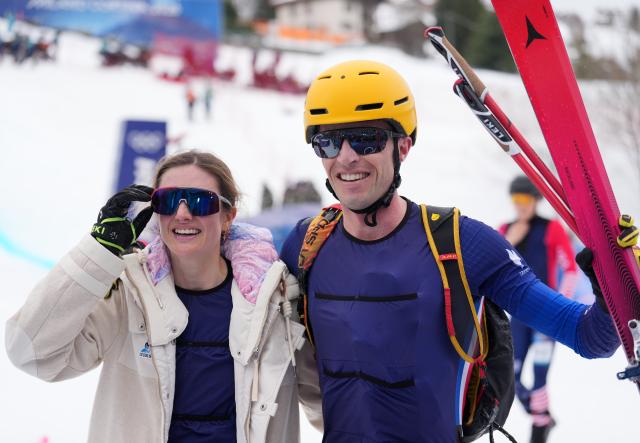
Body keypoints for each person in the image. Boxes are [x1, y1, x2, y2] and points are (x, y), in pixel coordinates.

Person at [279, 60, 624, 443]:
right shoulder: (306, 244)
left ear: (403, 146)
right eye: (328, 141)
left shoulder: (461, 244)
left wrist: (614, 286)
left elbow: (591, 338)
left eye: (366, 140)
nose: (346, 157)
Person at [5, 150, 321, 443]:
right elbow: (32, 353)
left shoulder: (276, 301)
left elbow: (328, 400)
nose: (183, 213)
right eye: (168, 201)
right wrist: (98, 251)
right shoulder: (128, 293)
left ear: (228, 216)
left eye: (200, 201)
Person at [499, 175, 579, 443]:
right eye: (516, 199)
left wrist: (560, 305)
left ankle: (539, 431)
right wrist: (511, 239)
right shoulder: (505, 229)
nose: (520, 205)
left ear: (535, 200)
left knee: (540, 376)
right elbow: (493, 269)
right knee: (512, 376)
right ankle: (543, 417)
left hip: (547, 317)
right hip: (518, 316)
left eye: (525, 199)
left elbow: (569, 269)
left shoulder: (552, 228)